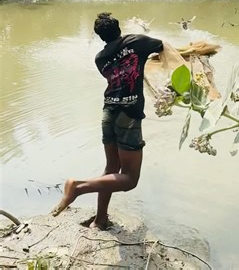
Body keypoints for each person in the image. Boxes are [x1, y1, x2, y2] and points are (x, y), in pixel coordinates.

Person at [51, 12, 164, 228]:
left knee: (111, 168)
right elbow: (162, 47)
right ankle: (77, 186)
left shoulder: (100, 58)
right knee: (129, 179)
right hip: (128, 114)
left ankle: (100, 219)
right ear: (118, 28)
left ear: (100, 36)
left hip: (108, 113)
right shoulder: (135, 41)